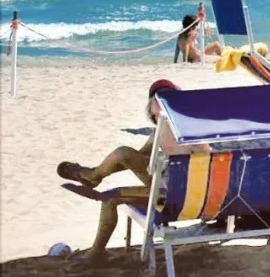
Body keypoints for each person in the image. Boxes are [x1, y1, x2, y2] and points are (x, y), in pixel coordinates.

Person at [56, 80, 206, 266]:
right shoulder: (181, 130)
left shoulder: (183, 133)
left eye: (163, 98)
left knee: (113, 187)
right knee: (120, 165)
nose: (161, 102)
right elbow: (133, 159)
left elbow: (127, 157)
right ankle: (92, 176)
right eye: (158, 98)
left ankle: (92, 177)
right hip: (190, 198)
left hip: (171, 199)